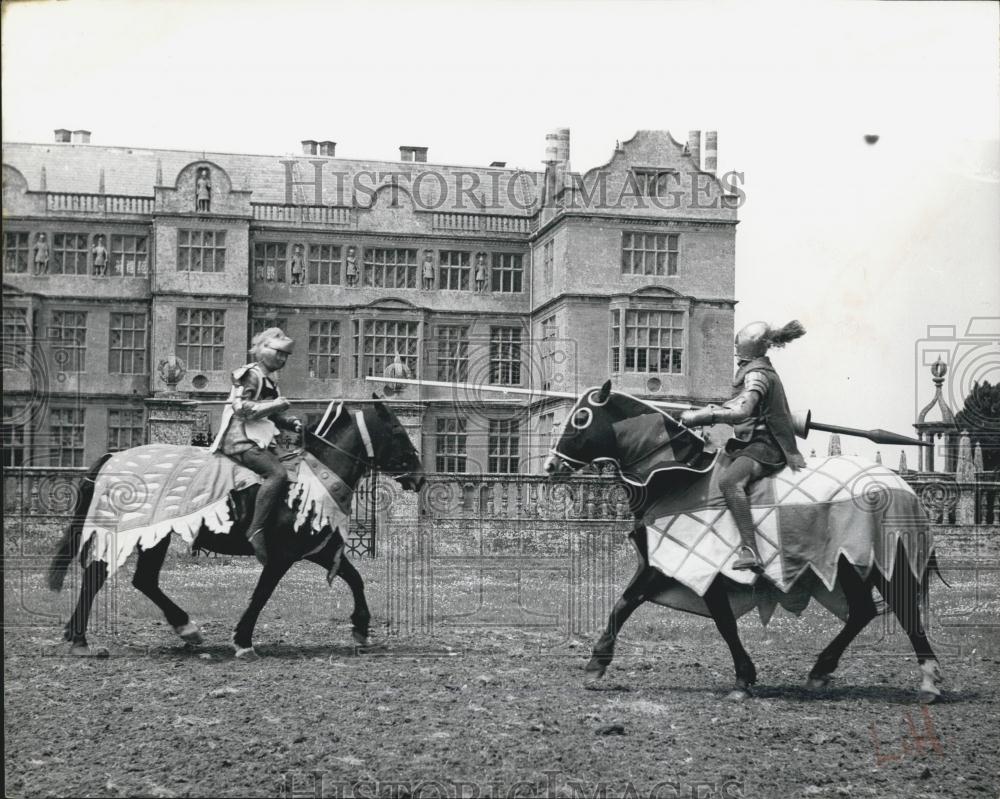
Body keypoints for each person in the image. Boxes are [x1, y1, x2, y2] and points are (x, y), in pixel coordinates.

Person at [680, 320, 806, 573]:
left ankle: (750, 550)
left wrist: (702, 417)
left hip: (764, 445)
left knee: (729, 482)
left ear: (746, 350)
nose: (736, 352)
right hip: (747, 443)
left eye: (738, 347)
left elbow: (742, 410)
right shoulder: (759, 370)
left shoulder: (757, 374)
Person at [209, 328, 301, 565]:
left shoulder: (271, 381)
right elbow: (242, 408)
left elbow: (270, 415)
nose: (282, 360)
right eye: (278, 353)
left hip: (257, 438)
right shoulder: (251, 375)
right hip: (239, 438)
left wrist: (290, 422)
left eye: (285, 356)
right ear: (263, 350)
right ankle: (255, 530)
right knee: (277, 473)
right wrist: (276, 406)